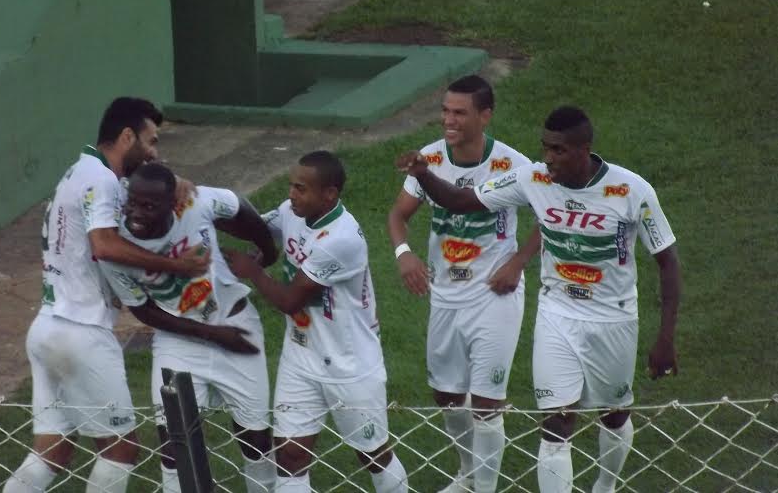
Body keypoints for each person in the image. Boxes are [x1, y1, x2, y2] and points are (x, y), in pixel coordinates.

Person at [396, 106, 680, 493]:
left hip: (613, 319)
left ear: (584, 149)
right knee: (555, 424)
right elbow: (462, 200)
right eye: (545, 147)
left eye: (558, 150)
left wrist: (665, 337)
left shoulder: (632, 190)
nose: (548, 158)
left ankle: (605, 485)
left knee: (613, 415)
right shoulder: (533, 178)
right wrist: (424, 174)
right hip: (556, 314)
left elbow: (668, 261)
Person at [4, 98, 210, 493]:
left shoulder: (80, 171)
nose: (154, 152)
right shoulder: (101, 180)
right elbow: (105, 245)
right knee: (120, 450)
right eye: (151, 141)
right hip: (82, 333)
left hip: (48, 328)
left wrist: (171, 180)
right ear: (127, 136)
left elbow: (128, 198)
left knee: (52, 451)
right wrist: (177, 265)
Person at [387, 74, 540, 493]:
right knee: (448, 397)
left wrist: (518, 263)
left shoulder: (512, 164)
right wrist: (404, 254)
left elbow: (551, 215)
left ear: (485, 116)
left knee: (487, 403)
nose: (448, 120)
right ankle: (469, 475)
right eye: (445, 111)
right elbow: (398, 214)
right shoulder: (430, 158)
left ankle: (484, 488)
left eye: (459, 112)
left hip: (495, 294)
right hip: (445, 294)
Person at [224, 151, 409, 493]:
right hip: (301, 356)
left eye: (301, 188)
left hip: (349, 364)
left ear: (329, 195)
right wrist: (205, 208)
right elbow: (254, 227)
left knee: (373, 455)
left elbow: (290, 301)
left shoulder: (341, 239)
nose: (291, 194)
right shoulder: (292, 211)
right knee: (290, 456)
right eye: (291, 185)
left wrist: (253, 271)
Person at [98, 162, 279, 493]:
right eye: (132, 203)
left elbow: (238, 207)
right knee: (174, 446)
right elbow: (144, 310)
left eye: (148, 206)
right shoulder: (116, 247)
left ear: (172, 204)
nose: (136, 213)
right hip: (178, 341)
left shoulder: (194, 204)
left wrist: (267, 253)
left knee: (255, 441)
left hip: (236, 325)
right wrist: (213, 335)